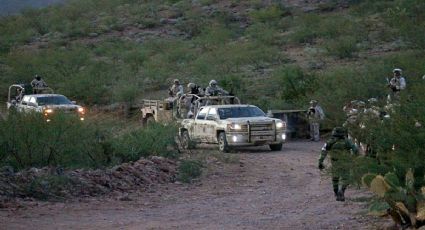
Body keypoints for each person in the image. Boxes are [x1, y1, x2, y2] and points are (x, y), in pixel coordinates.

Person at [318, 127, 358, 201]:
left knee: (335, 178)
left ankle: (336, 193)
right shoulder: (347, 141)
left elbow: (323, 152)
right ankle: (342, 191)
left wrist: (320, 162)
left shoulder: (329, 141)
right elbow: (355, 149)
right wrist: (354, 158)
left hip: (335, 162)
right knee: (346, 178)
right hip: (345, 162)